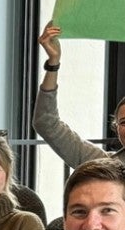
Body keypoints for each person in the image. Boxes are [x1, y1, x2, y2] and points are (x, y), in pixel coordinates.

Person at [33, 20, 125, 168]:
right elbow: (46, 123)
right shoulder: (103, 166)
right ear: (116, 128)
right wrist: (53, 63)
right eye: (124, 122)